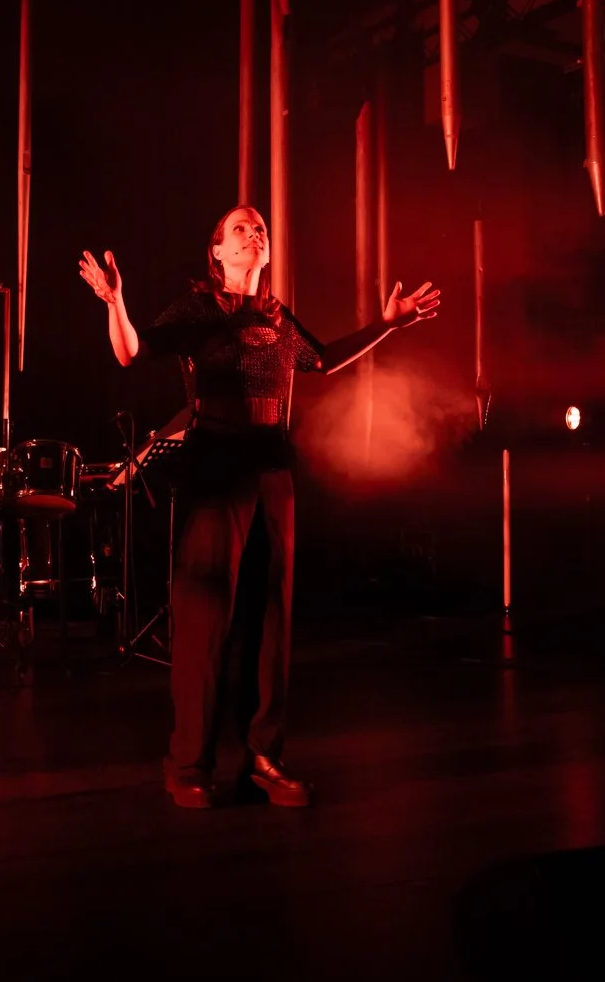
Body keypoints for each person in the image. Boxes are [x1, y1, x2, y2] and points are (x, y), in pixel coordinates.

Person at [79, 205, 439, 809]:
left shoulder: (275, 316)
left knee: (270, 617)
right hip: (216, 465)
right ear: (217, 252)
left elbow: (324, 358)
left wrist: (387, 326)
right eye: (241, 228)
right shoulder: (199, 309)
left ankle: (263, 757)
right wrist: (116, 303)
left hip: (272, 468)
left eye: (260, 227)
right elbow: (132, 352)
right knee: (205, 617)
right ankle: (189, 763)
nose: (255, 232)